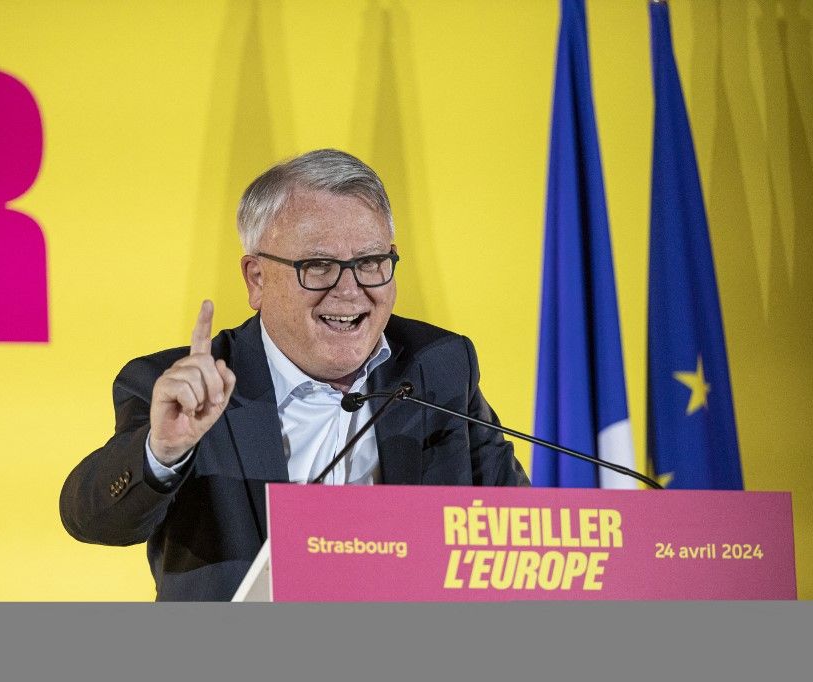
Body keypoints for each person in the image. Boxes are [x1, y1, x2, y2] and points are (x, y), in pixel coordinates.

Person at [60, 149, 529, 600]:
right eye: (318, 266)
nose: (350, 290)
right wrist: (162, 452)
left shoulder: (438, 365)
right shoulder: (181, 387)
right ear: (256, 278)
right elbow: (90, 519)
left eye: (369, 263)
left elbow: (516, 530)